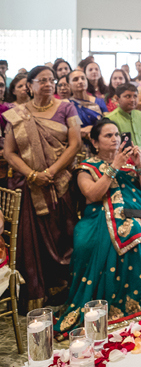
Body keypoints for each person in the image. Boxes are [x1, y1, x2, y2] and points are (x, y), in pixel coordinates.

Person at [54, 119, 141, 333]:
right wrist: (114, 167)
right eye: (108, 136)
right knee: (106, 237)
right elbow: (92, 194)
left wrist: (140, 165)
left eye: (117, 135)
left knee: (134, 229)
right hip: (96, 218)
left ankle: (135, 299)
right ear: (95, 142)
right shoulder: (86, 167)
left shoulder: (131, 162)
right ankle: (103, 300)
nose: (115, 139)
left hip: (135, 214)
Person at [2, 66, 82, 310]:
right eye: (42, 81)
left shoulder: (66, 107)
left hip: (60, 183)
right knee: (32, 239)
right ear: (30, 85)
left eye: (52, 80)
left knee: (64, 232)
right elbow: (9, 152)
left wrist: (51, 172)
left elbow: (75, 143)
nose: (48, 84)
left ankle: (64, 286)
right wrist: (33, 174)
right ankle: (39, 290)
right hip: (30, 186)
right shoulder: (17, 114)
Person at [68, 69, 107, 145]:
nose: (80, 81)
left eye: (83, 78)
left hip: (98, 144)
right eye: (75, 79)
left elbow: (107, 123)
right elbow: (63, 129)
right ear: (69, 85)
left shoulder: (99, 102)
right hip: (76, 145)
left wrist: (93, 129)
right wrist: (81, 131)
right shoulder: (67, 105)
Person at [105, 84, 141, 150]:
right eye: (128, 96)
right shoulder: (110, 119)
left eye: (135, 96)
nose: (132, 100)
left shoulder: (140, 115)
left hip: (139, 157)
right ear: (117, 99)